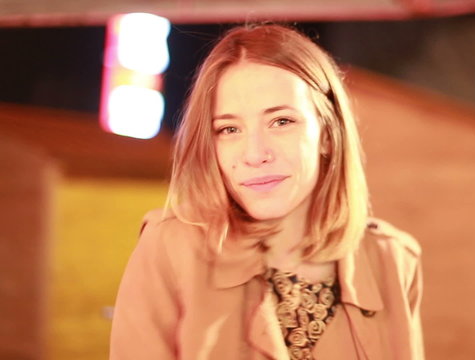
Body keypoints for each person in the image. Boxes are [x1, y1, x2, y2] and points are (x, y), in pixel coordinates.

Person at [110, 23, 424, 360]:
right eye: (229, 129)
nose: (255, 154)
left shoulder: (394, 260)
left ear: (328, 135)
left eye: (281, 122)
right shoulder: (169, 249)